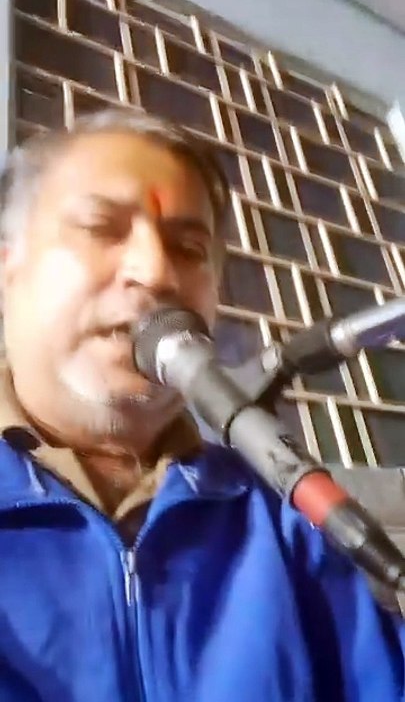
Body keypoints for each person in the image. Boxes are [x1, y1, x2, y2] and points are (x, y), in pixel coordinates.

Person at [0, 108, 404, 702]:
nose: (156, 271)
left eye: (189, 248)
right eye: (101, 227)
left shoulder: (288, 525)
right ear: (7, 268)